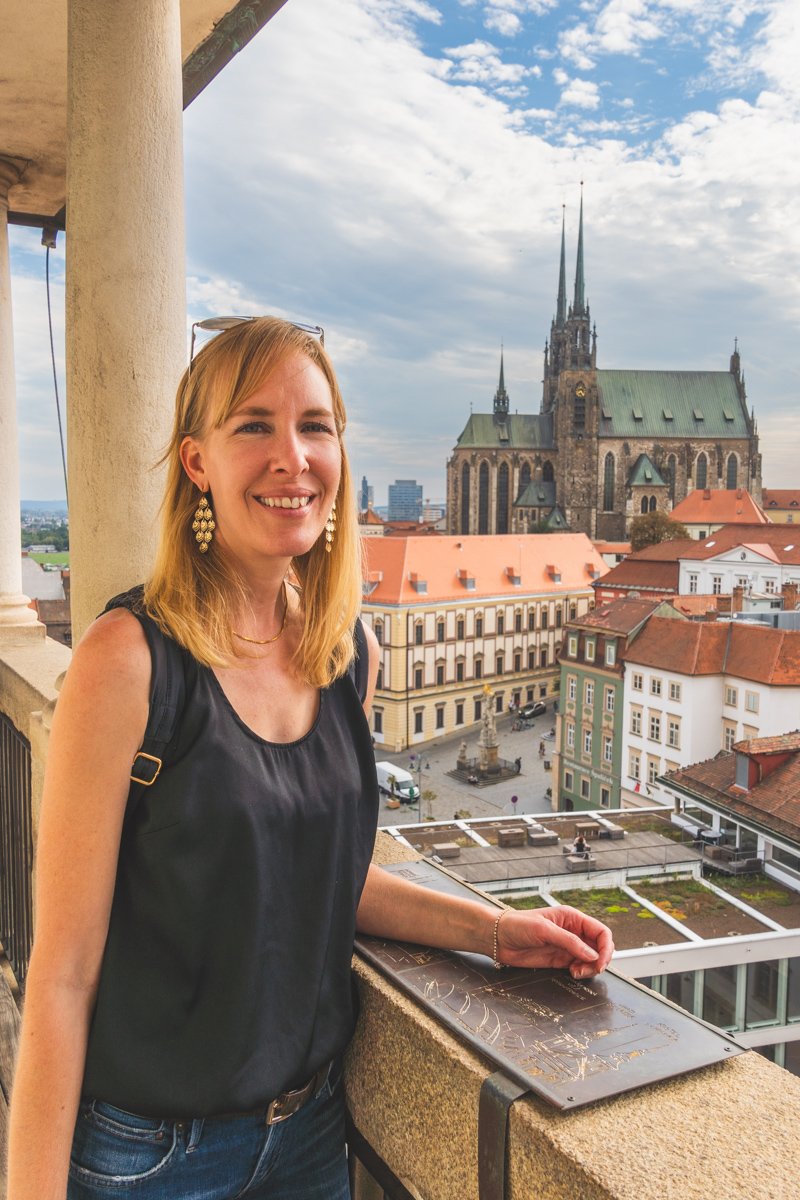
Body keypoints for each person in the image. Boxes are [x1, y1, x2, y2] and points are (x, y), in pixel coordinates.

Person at [8, 317, 614, 1200]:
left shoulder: (347, 655)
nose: (292, 457)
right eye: (253, 425)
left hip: (310, 1134)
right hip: (153, 1156)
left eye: (315, 426)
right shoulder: (128, 659)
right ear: (197, 463)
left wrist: (494, 932)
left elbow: (326, 878)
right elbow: (60, 976)